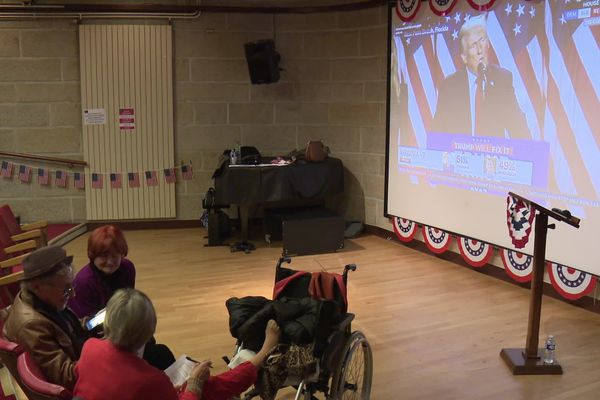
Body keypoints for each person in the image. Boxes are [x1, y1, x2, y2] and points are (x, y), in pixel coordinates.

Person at [74, 288, 281, 400]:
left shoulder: (90, 347)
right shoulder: (150, 380)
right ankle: (262, 353)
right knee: (210, 386)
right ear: (149, 330)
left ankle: (257, 357)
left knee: (210, 385)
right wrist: (194, 385)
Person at [431, 15, 530, 139]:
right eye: (473, 46)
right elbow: (437, 132)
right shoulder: (450, 86)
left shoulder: (502, 79)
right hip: (461, 155)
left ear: (488, 44)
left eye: (482, 41)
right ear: (464, 57)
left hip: (492, 156)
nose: (480, 50)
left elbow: (519, 128)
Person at [3, 245, 87, 390]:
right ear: (37, 287)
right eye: (66, 289)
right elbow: (67, 377)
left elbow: (68, 330)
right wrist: (102, 353)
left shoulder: (42, 299)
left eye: (71, 286)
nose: (72, 294)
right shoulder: (31, 326)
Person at [68, 225, 135, 319]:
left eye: (115, 256)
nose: (110, 262)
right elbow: (86, 325)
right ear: (93, 255)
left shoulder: (127, 268)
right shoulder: (83, 282)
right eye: (104, 256)